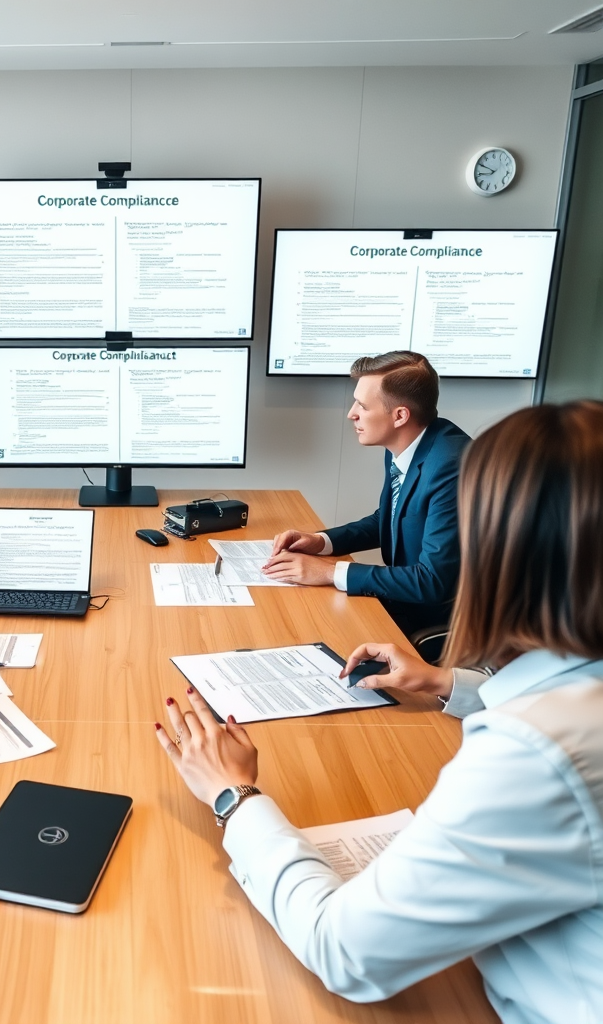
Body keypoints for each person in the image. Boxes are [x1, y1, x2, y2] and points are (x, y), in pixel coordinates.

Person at [156, 400, 603, 1024]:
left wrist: (235, 796)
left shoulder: (538, 754)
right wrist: (445, 681)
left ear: (504, 554)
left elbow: (344, 953)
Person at [263, 351, 470, 636]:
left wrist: (327, 572)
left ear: (400, 416)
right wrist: (320, 541)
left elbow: (432, 581)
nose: (352, 414)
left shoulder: (452, 466)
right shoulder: (407, 445)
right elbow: (389, 518)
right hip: (405, 602)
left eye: (362, 405)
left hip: (439, 625)